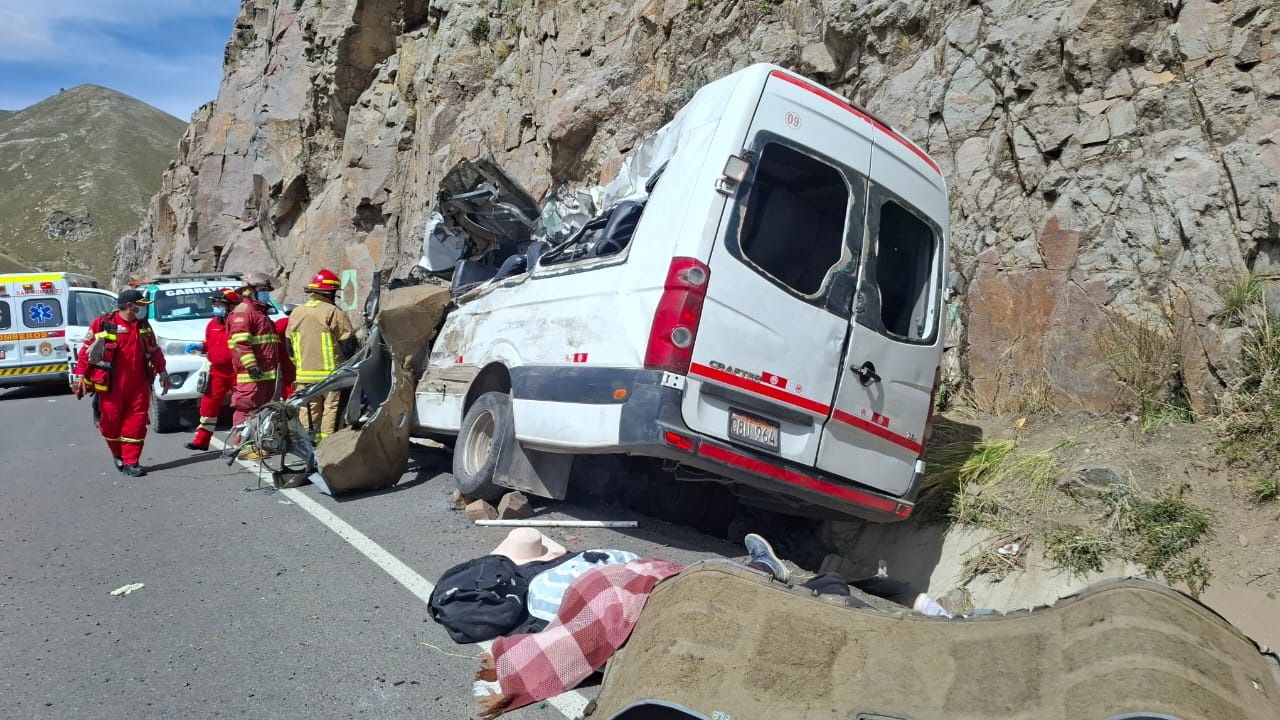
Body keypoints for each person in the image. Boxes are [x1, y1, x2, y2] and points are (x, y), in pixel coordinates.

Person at [73, 289, 169, 477]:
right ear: (129, 306)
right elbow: (86, 353)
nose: (142, 309)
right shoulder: (103, 324)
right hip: (111, 385)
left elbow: (154, 350)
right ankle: (117, 454)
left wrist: (162, 370)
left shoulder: (143, 326)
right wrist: (79, 376)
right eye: (140, 305)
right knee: (110, 423)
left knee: (137, 422)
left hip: (138, 384)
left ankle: (131, 461)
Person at [285, 269, 356, 440]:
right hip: (331, 377)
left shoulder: (296, 313)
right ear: (330, 292)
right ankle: (328, 447)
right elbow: (348, 344)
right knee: (331, 411)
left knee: (309, 412)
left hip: (304, 376)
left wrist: (301, 366)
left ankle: (308, 447)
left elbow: (290, 347)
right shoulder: (333, 312)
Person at [184, 289, 239, 451]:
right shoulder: (212, 324)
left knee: (242, 406)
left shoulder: (238, 323)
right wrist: (201, 346)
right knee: (208, 406)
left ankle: (242, 442)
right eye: (215, 303)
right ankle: (201, 440)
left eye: (219, 303)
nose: (216, 306)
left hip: (238, 371)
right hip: (217, 371)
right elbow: (211, 344)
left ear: (230, 306)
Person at [226, 272, 283, 431]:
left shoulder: (260, 313)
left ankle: (258, 444)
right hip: (252, 375)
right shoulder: (244, 312)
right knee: (247, 409)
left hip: (266, 373)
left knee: (264, 410)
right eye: (262, 289)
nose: (266, 293)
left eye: (267, 290)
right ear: (249, 291)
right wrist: (251, 365)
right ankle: (243, 446)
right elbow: (240, 342)